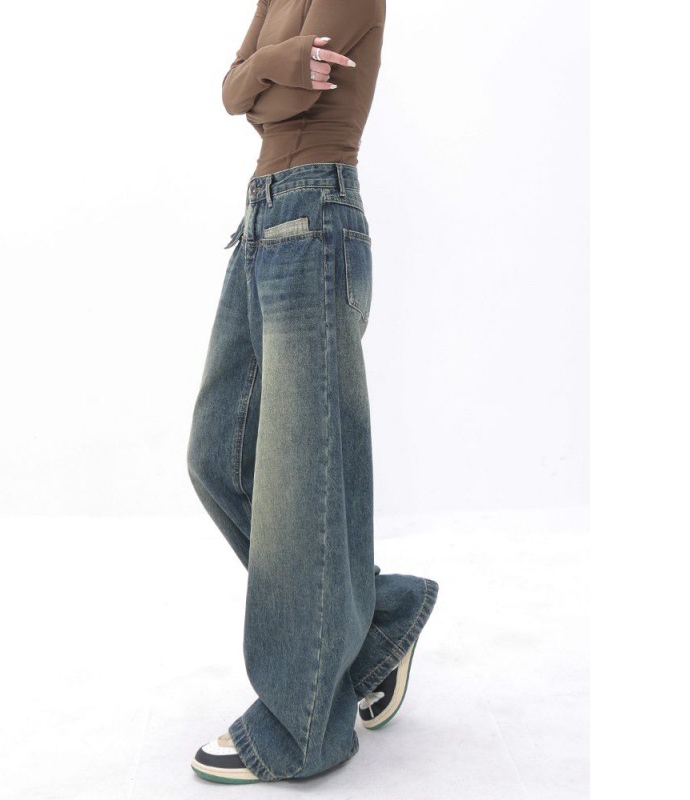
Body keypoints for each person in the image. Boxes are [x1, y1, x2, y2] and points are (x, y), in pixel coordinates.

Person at [186, 0, 438, 784]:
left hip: (316, 216)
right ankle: (376, 623)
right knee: (217, 457)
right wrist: (275, 68)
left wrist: (263, 83)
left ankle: (302, 727)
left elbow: (279, 105)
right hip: (259, 222)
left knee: (299, 485)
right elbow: (233, 92)